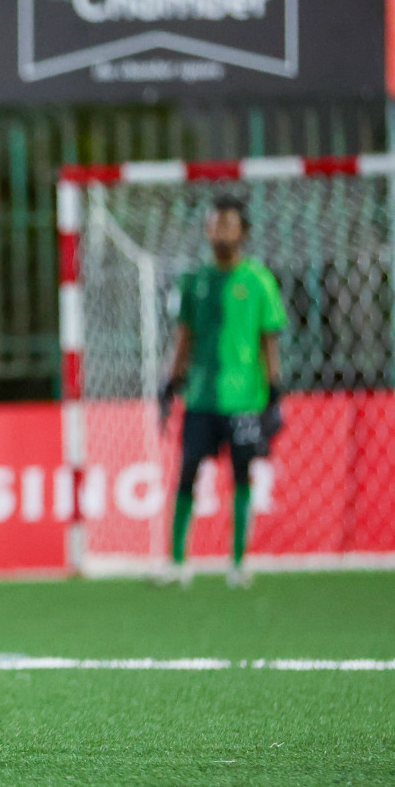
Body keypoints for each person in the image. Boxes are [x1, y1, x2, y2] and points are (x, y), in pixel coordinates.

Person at [158, 194, 286, 589]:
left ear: (243, 232)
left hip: (246, 397)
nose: (221, 232)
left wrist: (275, 393)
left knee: (242, 474)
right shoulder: (194, 282)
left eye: (228, 225)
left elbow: (269, 341)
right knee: (187, 472)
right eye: (215, 224)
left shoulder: (259, 280)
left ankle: (238, 562)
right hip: (200, 397)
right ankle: (177, 561)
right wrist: (170, 382)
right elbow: (184, 337)